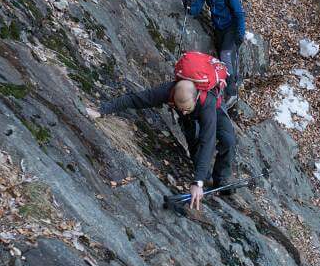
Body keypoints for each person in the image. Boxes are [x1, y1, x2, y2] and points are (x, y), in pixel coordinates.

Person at [95, 75, 235, 217]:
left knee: (228, 140)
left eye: (186, 108)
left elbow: (208, 142)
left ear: (196, 97)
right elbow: (135, 99)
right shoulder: (167, 91)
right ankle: (205, 176)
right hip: (191, 115)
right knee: (194, 141)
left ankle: (221, 179)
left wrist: (197, 182)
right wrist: (102, 110)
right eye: (180, 109)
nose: (184, 112)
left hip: (214, 109)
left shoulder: (208, 102)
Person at [183, 0, 245, 107]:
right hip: (219, 28)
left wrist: (240, 34)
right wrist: (189, 7)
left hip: (231, 27)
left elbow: (239, 14)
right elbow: (197, 6)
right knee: (220, 58)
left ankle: (232, 92)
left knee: (225, 55)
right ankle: (226, 84)